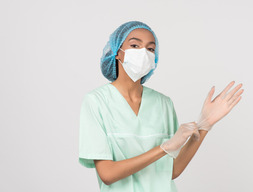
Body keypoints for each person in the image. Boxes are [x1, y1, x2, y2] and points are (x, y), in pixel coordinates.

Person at [78, 20, 244, 192]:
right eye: (135, 45)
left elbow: (172, 170)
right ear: (117, 52)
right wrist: (163, 148)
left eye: (150, 49)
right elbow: (107, 174)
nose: (143, 53)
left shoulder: (163, 103)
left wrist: (204, 126)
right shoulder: (96, 102)